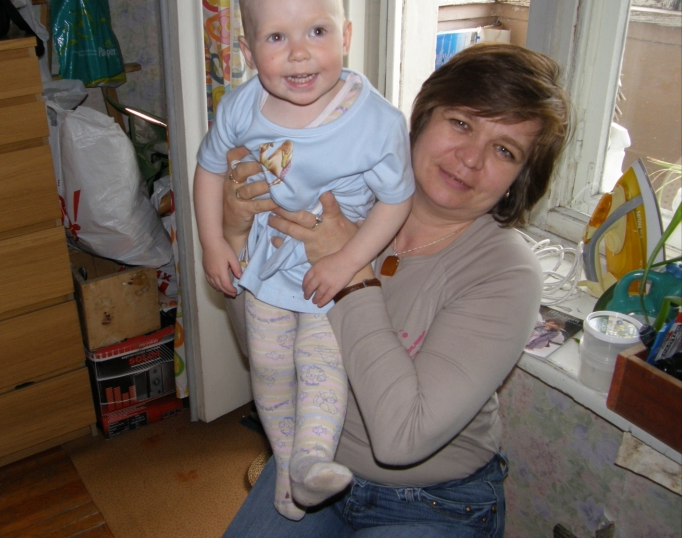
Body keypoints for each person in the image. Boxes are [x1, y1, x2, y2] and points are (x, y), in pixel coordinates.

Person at [221, 42, 573, 537]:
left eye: (504, 150)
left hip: (435, 501)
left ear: (519, 179)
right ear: (423, 118)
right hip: (314, 462)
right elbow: (259, 345)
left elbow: (400, 439)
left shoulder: (507, 273)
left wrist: (350, 268)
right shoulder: (343, 194)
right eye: (461, 123)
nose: (470, 159)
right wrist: (237, 238)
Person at [194, 0, 414, 520]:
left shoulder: (377, 122)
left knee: (320, 366)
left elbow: (397, 200)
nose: (298, 52)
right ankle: (288, 467)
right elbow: (210, 168)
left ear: (345, 36)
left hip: (328, 270)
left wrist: (347, 261)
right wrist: (215, 243)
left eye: (317, 31)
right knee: (269, 368)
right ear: (248, 53)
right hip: (267, 269)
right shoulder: (241, 106)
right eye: (276, 37)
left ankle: (312, 462)